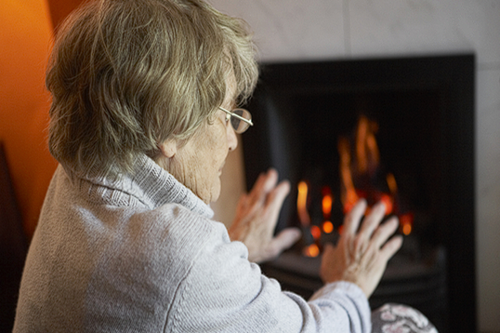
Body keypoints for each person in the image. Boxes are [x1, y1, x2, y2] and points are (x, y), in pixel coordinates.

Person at [14, 0, 437, 332]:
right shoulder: (178, 253)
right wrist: (349, 279)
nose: (235, 138)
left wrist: (234, 250)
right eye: (228, 114)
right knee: (405, 321)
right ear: (168, 126)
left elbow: (161, 299)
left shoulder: (76, 175)